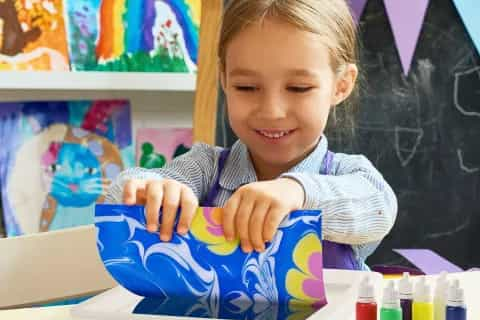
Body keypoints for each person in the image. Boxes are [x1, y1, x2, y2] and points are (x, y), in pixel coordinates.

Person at [106, 0, 398, 270]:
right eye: (246, 87)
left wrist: (297, 191)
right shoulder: (205, 169)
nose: (271, 111)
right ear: (224, 79)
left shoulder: (347, 175)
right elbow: (120, 194)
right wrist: (152, 190)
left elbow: (379, 209)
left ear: (341, 85)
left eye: (298, 88)